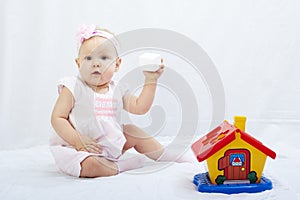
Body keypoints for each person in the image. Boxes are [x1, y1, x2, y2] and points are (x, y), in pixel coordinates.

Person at [50, 24, 191, 178]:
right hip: (79, 148)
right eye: (88, 58)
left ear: (117, 65)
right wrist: (77, 140)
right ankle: (121, 166)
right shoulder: (73, 87)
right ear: (78, 63)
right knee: (90, 166)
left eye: (104, 58)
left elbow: (140, 107)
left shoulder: (117, 89)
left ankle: (166, 155)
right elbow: (58, 118)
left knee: (132, 131)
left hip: (109, 143)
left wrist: (151, 80)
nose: (96, 63)